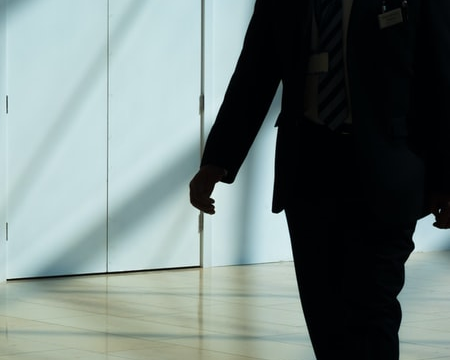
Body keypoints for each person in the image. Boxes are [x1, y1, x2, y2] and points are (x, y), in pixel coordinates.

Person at [189, 0, 450, 358]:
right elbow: (255, 72)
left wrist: (446, 179)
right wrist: (217, 161)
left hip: (387, 171)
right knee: (324, 314)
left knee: (372, 309)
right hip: (309, 171)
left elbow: (443, 76)